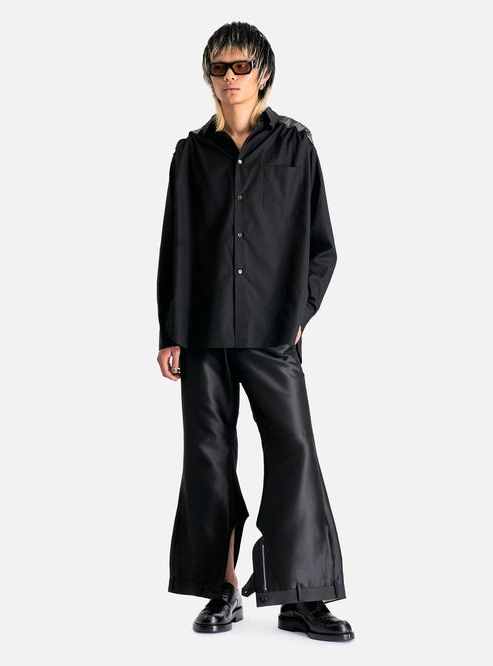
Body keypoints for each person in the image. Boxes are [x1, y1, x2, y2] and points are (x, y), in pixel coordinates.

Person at [156, 21, 355, 642]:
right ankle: (221, 588)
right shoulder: (191, 154)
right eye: (219, 67)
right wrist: (170, 330)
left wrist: (299, 314)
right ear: (209, 77)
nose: (230, 77)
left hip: (273, 332)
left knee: (295, 450)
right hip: (204, 332)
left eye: (241, 66)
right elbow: (175, 246)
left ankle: (302, 596)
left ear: (262, 73)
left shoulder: (296, 146)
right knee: (207, 456)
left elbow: (322, 246)